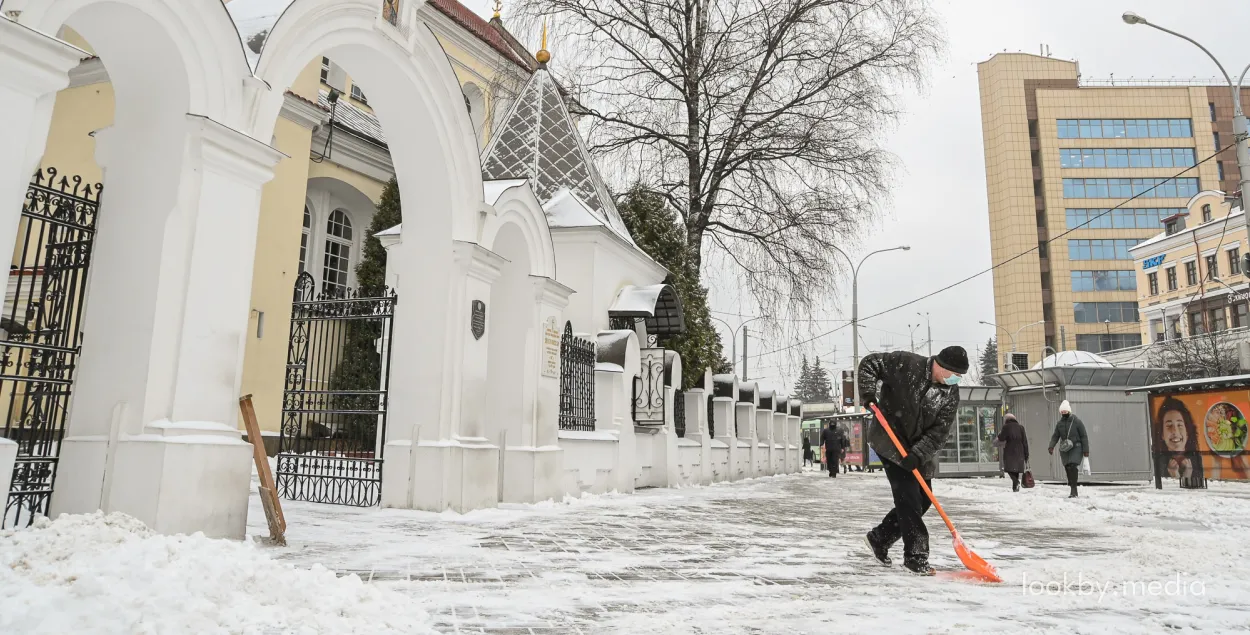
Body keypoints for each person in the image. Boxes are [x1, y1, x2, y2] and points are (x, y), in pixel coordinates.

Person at [859, 346, 967, 576]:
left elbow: (939, 432)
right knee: (908, 498)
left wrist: (918, 454)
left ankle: (879, 538)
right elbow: (869, 364)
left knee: (924, 501)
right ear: (940, 365)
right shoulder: (905, 364)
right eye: (953, 373)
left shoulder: (951, 393)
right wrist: (868, 394)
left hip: (918, 451)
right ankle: (915, 557)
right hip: (890, 441)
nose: (955, 379)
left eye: (959, 376)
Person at [1154, 397, 1204, 488]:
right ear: (1162, 435)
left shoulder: (1197, 458)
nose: (1175, 431)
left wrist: (1187, 474)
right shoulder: (1157, 461)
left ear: (1187, 432)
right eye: (1169, 426)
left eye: (1180, 425)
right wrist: (1175, 477)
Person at [1048, 400, 1089, 498]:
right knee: (1067, 467)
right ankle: (1071, 484)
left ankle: (1074, 489)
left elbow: (1084, 436)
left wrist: (1085, 450)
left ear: (1069, 411)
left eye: (1065, 411)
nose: (1064, 413)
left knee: (1073, 466)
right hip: (1065, 448)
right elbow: (1055, 436)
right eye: (1062, 412)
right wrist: (1051, 446)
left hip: (1076, 447)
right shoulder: (1059, 424)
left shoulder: (1077, 421)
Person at [997, 413, 1029, 492]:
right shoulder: (1021, 427)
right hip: (1020, 451)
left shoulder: (1006, 427)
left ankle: (1016, 482)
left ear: (1006, 420)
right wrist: (1026, 454)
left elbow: (1001, 438)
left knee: (1008, 468)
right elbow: (1025, 441)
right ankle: (1015, 488)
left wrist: (1000, 433)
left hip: (1010, 450)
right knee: (1016, 470)